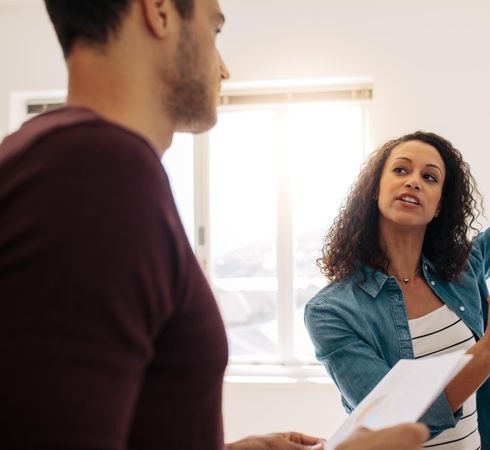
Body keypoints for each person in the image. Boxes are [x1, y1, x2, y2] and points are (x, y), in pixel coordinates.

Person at [0, 0, 428, 449]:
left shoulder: (71, 161)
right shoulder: (95, 170)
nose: (224, 70)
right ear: (159, 11)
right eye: (215, 30)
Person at [304, 107, 490, 450]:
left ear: (438, 207)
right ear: (375, 190)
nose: (414, 180)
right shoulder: (331, 312)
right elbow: (394, 424)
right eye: (401, 170)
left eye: (430, 177)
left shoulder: (464, 266)